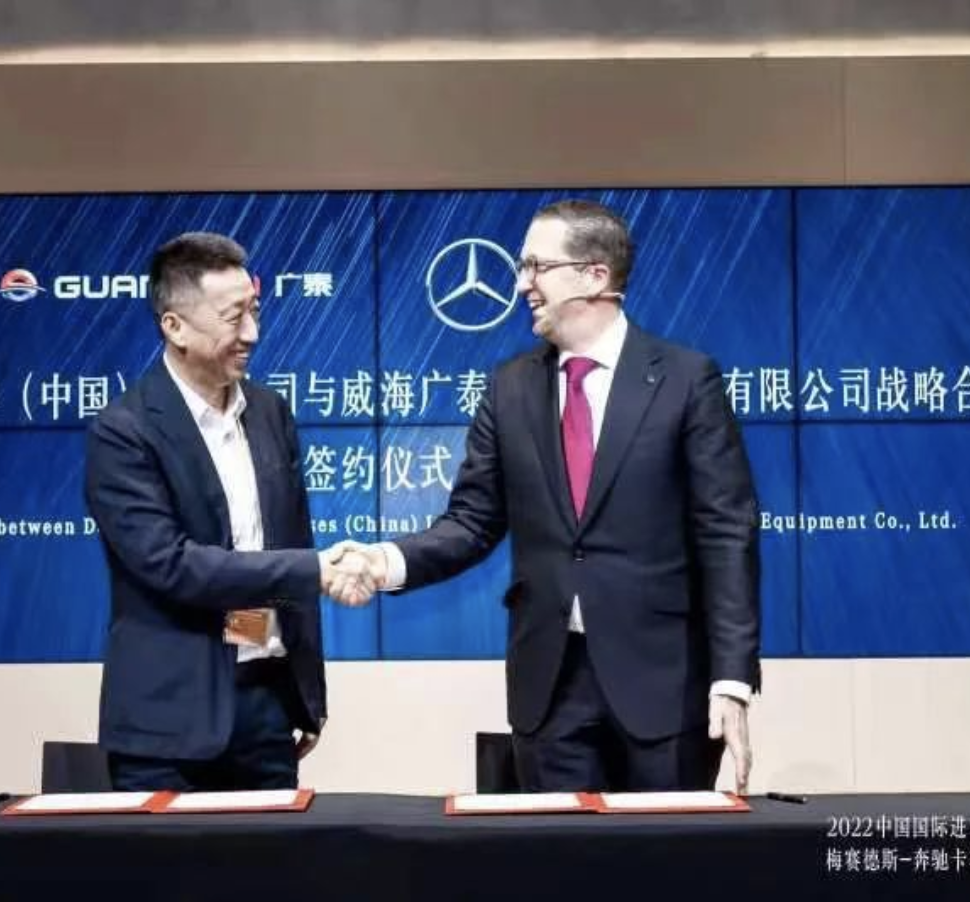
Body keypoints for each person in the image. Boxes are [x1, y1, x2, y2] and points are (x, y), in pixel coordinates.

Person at [328, 200, 760, 793]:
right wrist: (383, 562)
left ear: (595, 276)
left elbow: (726, 532)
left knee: (666, 852)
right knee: (556, 852)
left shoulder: (686, 379)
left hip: (665, 683)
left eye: (536, 266)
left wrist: (732, 679)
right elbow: (472, 522)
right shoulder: (510, 387)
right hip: (551, 687)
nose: (521, 284)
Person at [85, 231, 373, 792]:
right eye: (232, 317)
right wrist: (316, 569)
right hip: (168, 727)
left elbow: (288, 540)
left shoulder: (269, 413)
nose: (252, 333)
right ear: (175, 327)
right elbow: (172, 566)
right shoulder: (123, 431)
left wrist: (306, 694)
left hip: (266, 706)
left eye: (254, 311)